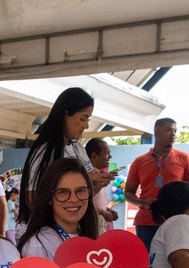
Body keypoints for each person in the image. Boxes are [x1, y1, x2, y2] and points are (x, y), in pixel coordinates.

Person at [17, 87, 115, 240]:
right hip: (50, 234)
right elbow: (32, 198)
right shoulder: (45, 151)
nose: (86, 126)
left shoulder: (78, 149)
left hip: (75, 232)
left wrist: (96, 184)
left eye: (88, 120)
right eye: (83, 118)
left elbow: (85, 196)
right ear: (65, 114)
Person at [125, 118, 189, 251]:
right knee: (148, 262)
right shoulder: (139, 161)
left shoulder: (184, 158)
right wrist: (143, 203)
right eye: (168, 130)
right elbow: (128, 193)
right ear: (157, 132)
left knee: (176, 261)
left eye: (175, 131)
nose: (173, 134)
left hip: (176, 221)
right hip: (147, 222)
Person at [18, 158, 99, 260]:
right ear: (49, 198)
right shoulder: (37, 245)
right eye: (63, 192)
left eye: (80, 190)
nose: (73, 199)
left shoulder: (89, 236)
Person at [85, 138, 118, 234]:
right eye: (107, 154)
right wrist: (101, 212)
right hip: (92, 226)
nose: (110, 157)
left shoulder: (100, 175)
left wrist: (106, 209)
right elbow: (85, 200)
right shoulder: (85, 175)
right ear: (94, 156)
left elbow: (94, 201)